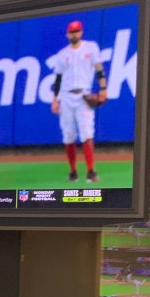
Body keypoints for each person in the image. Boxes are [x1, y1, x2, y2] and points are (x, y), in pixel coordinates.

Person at [49, 20, 107, 183]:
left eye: (77, 31)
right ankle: (73, 171)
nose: (74, 34)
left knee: (87, 133)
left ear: (81, 32)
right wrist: (55, 100)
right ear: (67, 34)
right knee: (68, 135)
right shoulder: (62, 54)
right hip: (66, 96)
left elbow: (99, 70)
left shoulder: (90, 47)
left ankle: (90, 171)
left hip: (84, 95)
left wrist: (103, 89)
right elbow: (58, 79)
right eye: (72, 32)